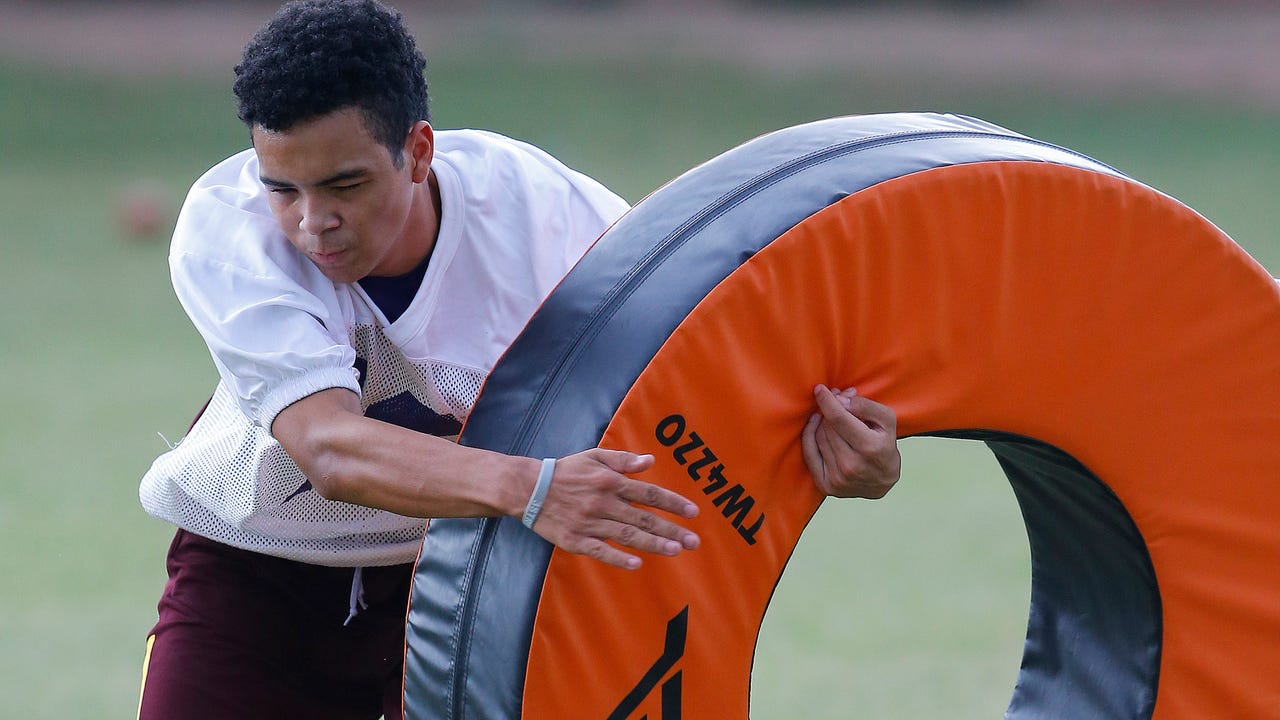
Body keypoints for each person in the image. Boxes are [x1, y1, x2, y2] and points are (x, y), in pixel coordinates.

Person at [135, 1, 901, 718]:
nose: (312, 222)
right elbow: (331, 448)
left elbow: (698, 346)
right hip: (256, 572)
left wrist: (837, 441)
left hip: (459, 574)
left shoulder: (538, 213)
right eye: (283, 188)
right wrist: (532, 489)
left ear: (418, 151)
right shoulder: (228, 231)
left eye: (345, 184)